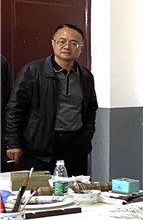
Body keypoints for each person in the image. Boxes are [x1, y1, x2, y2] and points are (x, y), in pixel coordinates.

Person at [5, 24, 98, 176]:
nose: (67, 46)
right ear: (53, 43)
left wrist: (86, 138)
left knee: (75, 188)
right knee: (40, 189)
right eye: (62, 41)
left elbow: (90, 110)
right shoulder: (33, 71)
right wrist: (13, 142)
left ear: (81, 48)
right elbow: (15, 108)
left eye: (74, 43)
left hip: (75, 148)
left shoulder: (86, 76)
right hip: (39, 149)